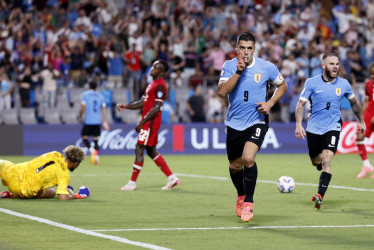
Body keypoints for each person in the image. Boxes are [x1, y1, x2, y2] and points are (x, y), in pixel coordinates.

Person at [217, 32, 288, 222]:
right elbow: (222, 92)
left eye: (249, 48)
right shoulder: (229, 65)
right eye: (242, 48)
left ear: (254, 48)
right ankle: (241, 195)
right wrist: (238, 72)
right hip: (234, 123)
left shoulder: (267, 67)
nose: (246, 52)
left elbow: (283, 86)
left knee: (248, 158)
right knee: (234, 166)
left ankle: (248, 203)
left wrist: (270, 103)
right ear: (237, 48)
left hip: (257, 119)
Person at [295, 53, 365, 210]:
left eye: (337, 63)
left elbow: (354, 102)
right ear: (323, 66)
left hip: (333, 127)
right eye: (331, 64)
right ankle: (320, 168)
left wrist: (361, 121)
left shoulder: (344, 84)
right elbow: (300, 104)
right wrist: (299, 125)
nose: (335, 66)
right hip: (313, 128)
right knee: (316, 161)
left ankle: (319, 195)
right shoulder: (311, 83)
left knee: (327, 160)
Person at [117, 60, 180, 191]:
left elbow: (157, 107)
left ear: (161, 73)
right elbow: (142, 102)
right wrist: (126, 106)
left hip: (150, 123)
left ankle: (132, 183)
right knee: (151, 151)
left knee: (139, 147)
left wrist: (142, 122)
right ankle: (172, 177)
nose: (152, 69)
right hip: (148, 122)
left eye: (156, 68)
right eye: (153, 66)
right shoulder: (151, 84)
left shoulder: (161, 86)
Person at [0, 145, 89, 200]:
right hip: (21, 190)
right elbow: (63, 198)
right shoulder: (64, 175)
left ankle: (10, 194)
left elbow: (44, 170)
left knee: (2, 162)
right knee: (52, 192)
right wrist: (79, 195)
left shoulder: (55, 154)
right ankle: (12, 194)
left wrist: (62, 185)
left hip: (12, 172)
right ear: (76, 163)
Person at [78, 81, 110, 165]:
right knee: (96, 140)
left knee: (84, 138)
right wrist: (105, 121)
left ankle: (92, 151)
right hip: (97, 121)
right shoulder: (100, 95)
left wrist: (80, 117)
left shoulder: (85, 95)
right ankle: (97, 159)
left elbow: (82, 107)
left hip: (88, 121)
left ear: (89, 86)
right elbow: (104, 109)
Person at [356, 62, 374, 179]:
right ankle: (366, 166)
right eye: (371, 74)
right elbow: (366, 101)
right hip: (369, 112)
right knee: (359, 137)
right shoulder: (368, 83)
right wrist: (361, 118)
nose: (372, 76)